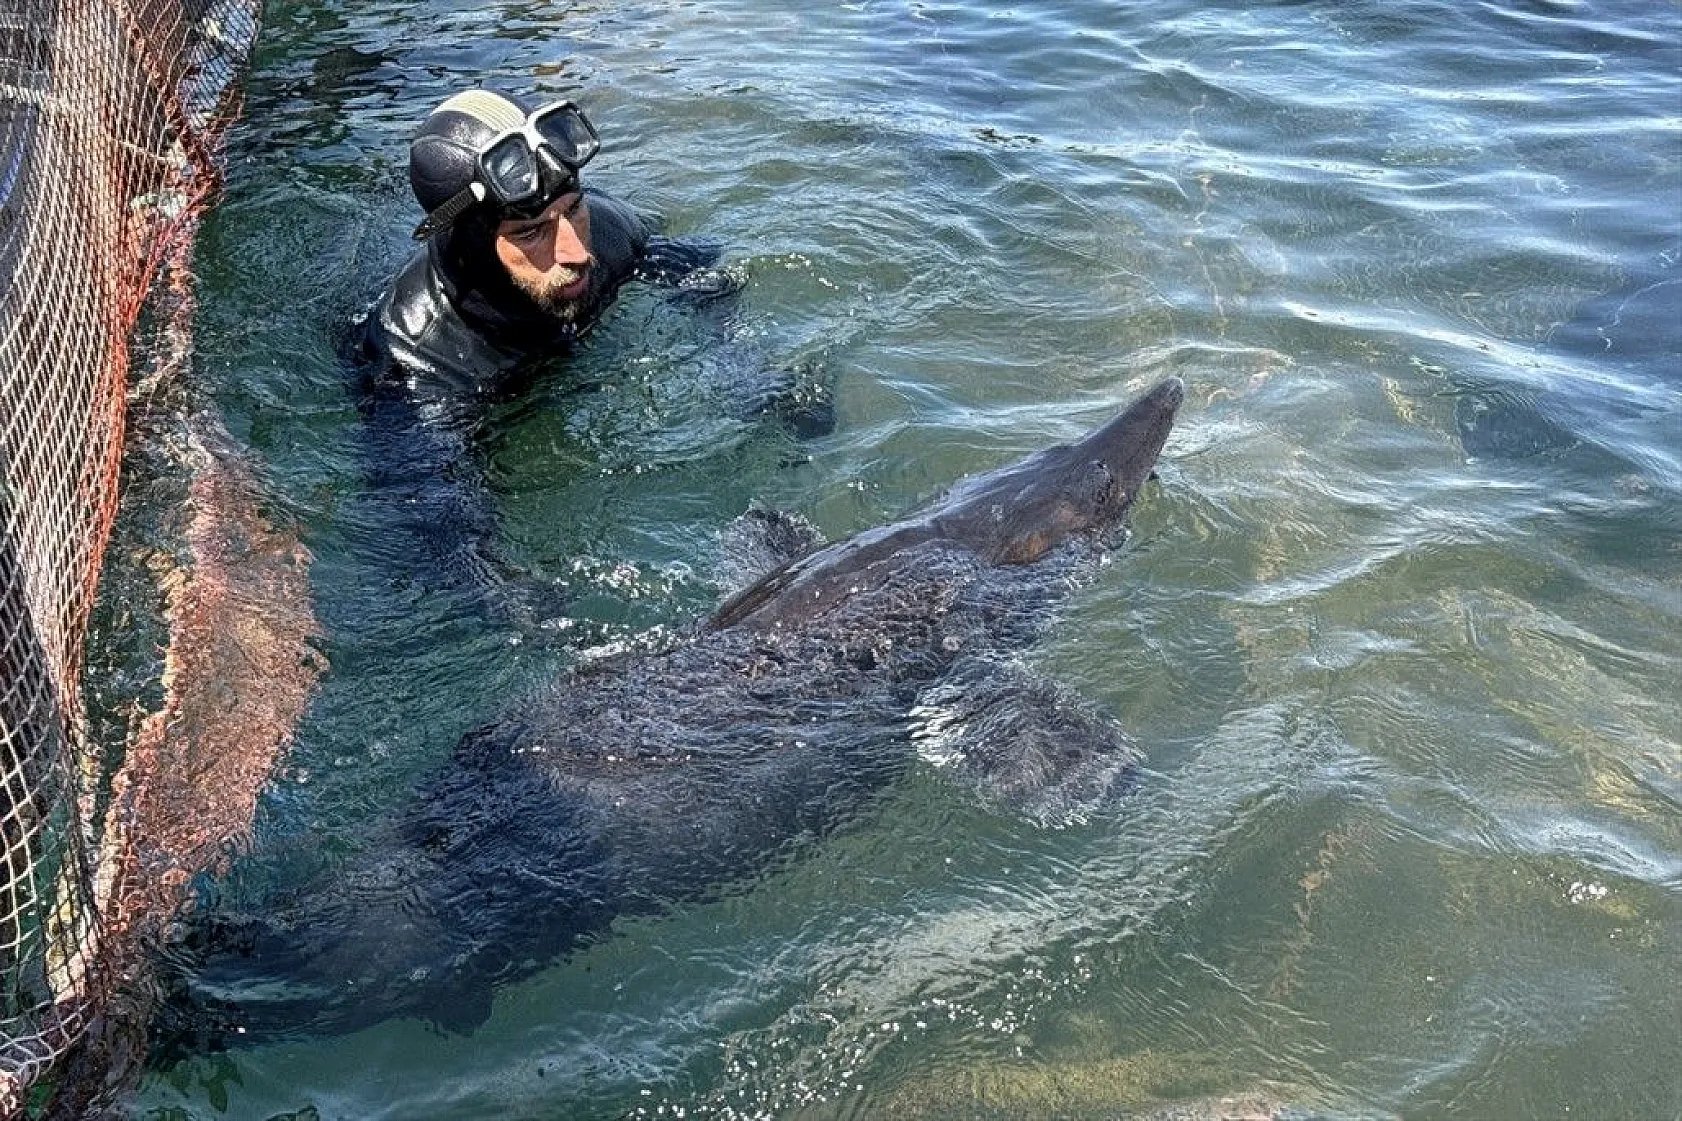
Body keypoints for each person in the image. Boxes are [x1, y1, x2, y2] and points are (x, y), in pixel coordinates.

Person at [357, 87, 727, 398]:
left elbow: (707, 281)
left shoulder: (610, 230)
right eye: (530, 232)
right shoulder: (419, 362)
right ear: (474, 248)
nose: (578, 253)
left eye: (573, 210)